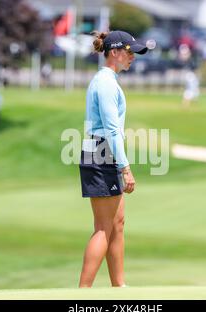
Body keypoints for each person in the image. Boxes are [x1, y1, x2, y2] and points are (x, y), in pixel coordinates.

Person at [78, 30, 149, 288]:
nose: (133, 57)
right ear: (115, 52)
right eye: (129, 52)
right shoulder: (106, 83)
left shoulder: (108, 80)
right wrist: (125, 168)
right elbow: (111, 129)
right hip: (102, 151)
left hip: (100, 151)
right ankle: (82, 292)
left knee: (117, 223)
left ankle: (119, 286)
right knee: (104, 227)